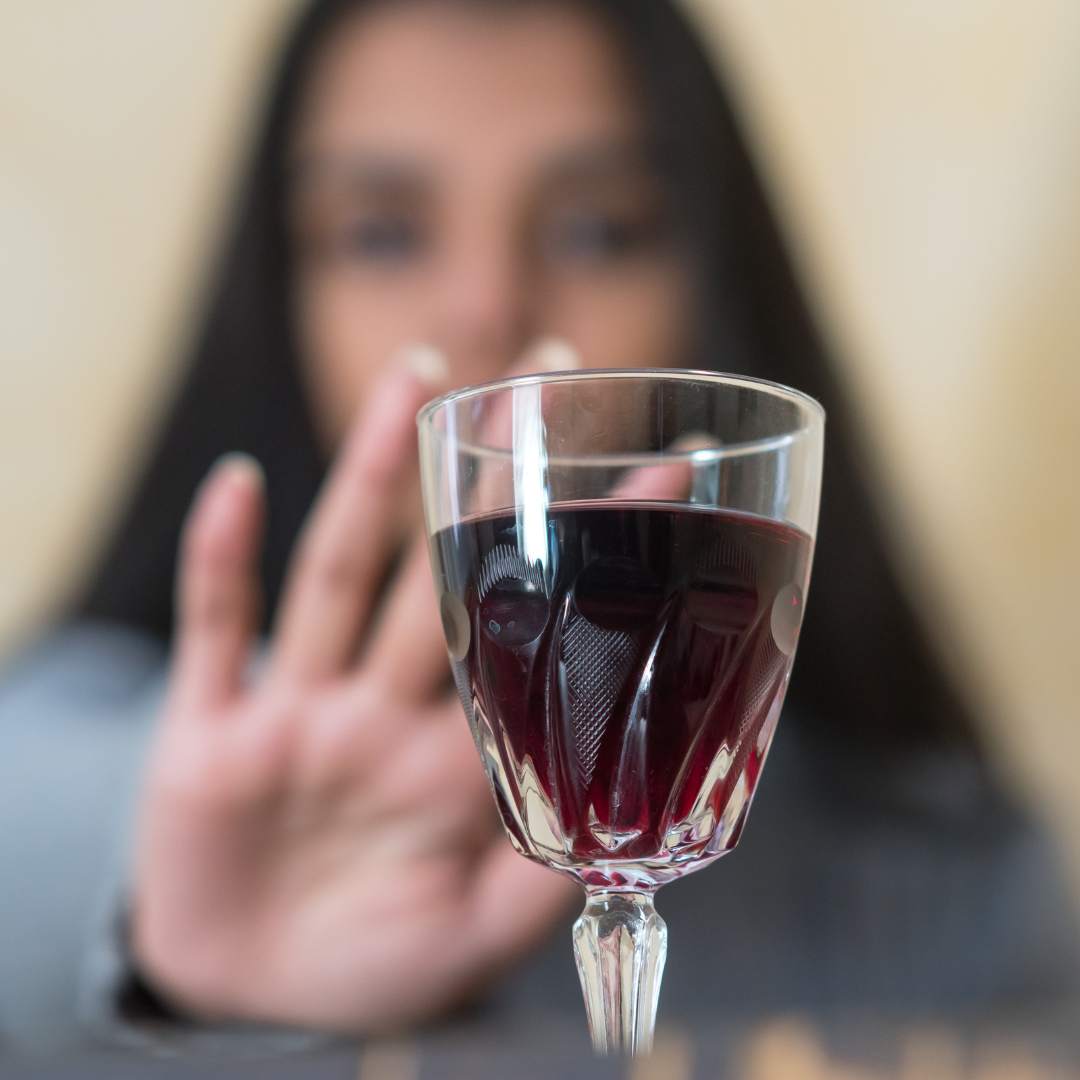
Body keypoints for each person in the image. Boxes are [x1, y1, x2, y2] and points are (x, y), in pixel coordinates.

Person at [1, 0, 1076, 1051]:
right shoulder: (59, 755)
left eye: (596, 229)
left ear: (717, 283)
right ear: (279, 303)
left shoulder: (951, 898)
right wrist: (167, 935)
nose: (485, 303)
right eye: (381, 233)